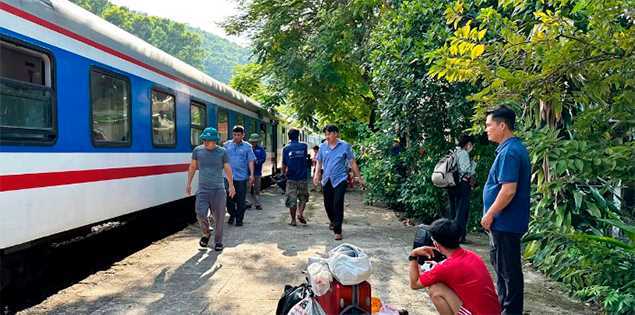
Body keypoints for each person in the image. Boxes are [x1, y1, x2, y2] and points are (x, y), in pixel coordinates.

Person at [481, 106, 531, 314]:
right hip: (506, 223)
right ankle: (504, 309)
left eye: (489, 125)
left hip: (505, 222)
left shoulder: (510, 152)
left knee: (508, 272)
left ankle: (510, 311)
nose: (486, 130)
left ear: (502, 125)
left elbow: (508, 190)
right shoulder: (511, 148)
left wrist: (490, 213)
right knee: (504, 271)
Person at [408, 218, 501, 315]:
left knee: (435, 288)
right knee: (441, 283)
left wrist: (413, 255)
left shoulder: (445, 268)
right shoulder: (473, 255)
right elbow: (454, 271)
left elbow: (414, 284)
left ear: (436, 244)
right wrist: (439, 267)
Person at [186, 127, 236, 251]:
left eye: (208, 140)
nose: (205, 142)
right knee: (200, 212)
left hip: (218, 189)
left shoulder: (222, 152)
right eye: (204, 140)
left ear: (215, 141)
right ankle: (206, 232)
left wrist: (231, 185)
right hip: (203, 189)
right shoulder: (197, 151)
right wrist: (189, 183)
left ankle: (218, 241)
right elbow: (192, 167)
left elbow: (227, 168)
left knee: (219, 217)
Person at [313, 125, 364, 240]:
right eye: (325, 134)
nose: (327, 137)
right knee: (327, 204)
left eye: (328, 134)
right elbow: (319, 163)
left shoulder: (345, 146)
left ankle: (338, 230)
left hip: (340, 179)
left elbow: (352, 162)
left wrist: (359, 177)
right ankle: (333, 221)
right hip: (327, 179)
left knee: (337, 204)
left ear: (336, 134)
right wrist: (316, 175)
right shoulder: (322, 147)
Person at [224, 125, 256, 227]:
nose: (236, 137)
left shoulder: (247, 146)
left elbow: (250, 161)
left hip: (241, 177)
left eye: (238, 135)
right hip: (228, 177)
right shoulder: (226, 145)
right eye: (234, 135)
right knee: (228, 200)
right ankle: (233, 214)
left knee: (241, 200)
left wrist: (251, 175)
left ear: (243, 135)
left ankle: (239, 219)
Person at [447, 134, 477, 243]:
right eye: (472, 145)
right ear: (468, 144)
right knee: (461, 212)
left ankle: (452, 235)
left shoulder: (454, 152)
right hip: (462, 185)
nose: (472, 147)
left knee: (453, 211)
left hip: (451, 185)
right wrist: (473, 164)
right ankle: (459, 237)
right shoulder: (463, 153)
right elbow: (466, 171)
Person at [282, 128, 309, 226]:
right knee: (303, 198)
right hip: (302, 177)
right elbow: (305, 159)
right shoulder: (304, 146)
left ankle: (293, 220)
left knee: (291, 200)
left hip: (291, 178)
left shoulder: (286, 148)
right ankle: (300, 213)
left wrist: (283, 174)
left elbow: (284, 164)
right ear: (298, 136)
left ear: (288, 137)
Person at [248, 133, 266, 210]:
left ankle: (257, 204)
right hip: (247, 173)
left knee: (257, 189)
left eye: (255, 141)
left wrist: (257, 162)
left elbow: (263, 159)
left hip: (257, 173)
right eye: (252, 141)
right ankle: (248, 203)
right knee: (247, 189)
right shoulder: (248, 148)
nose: (253, 143)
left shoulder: (261, 149)